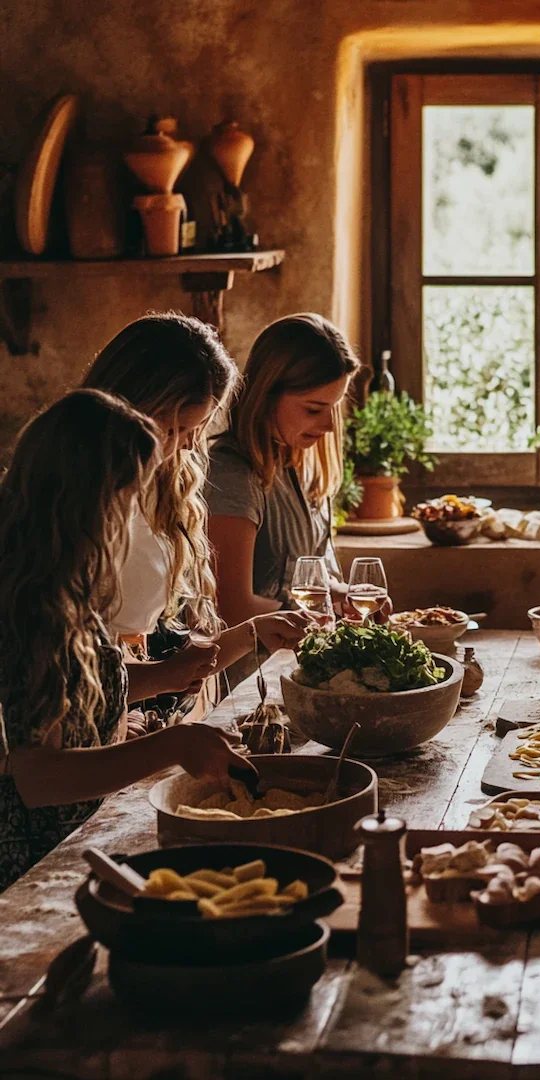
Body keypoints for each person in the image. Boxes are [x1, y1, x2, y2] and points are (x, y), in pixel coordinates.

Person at [0, 391, 248, 891]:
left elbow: (66, 700)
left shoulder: (60, 576)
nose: (130, 515)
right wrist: (173, 745)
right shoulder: (26, 602)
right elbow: (36, 774)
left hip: (81, 841)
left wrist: (166, 676)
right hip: (32, 867)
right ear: (83, 497)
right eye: (127, 496)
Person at [81, 314, 312, 713]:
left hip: (137, 715)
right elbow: (70, 683)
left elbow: (161, 666)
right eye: (175, 430)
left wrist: (253, 633)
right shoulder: (75, 508)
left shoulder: (163, 490)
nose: (187, 448)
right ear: (130, 410)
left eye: (197, 431)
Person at [207, 313, 360, 625]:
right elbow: (230, 608)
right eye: (314, 409)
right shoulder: (232, 475)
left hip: (297, 660)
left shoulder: (295, 461)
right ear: (266, 394)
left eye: (334, 408)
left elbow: (299, 584)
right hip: (254, 670)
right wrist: (318, 618)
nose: (330, 425)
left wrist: (341, 596)